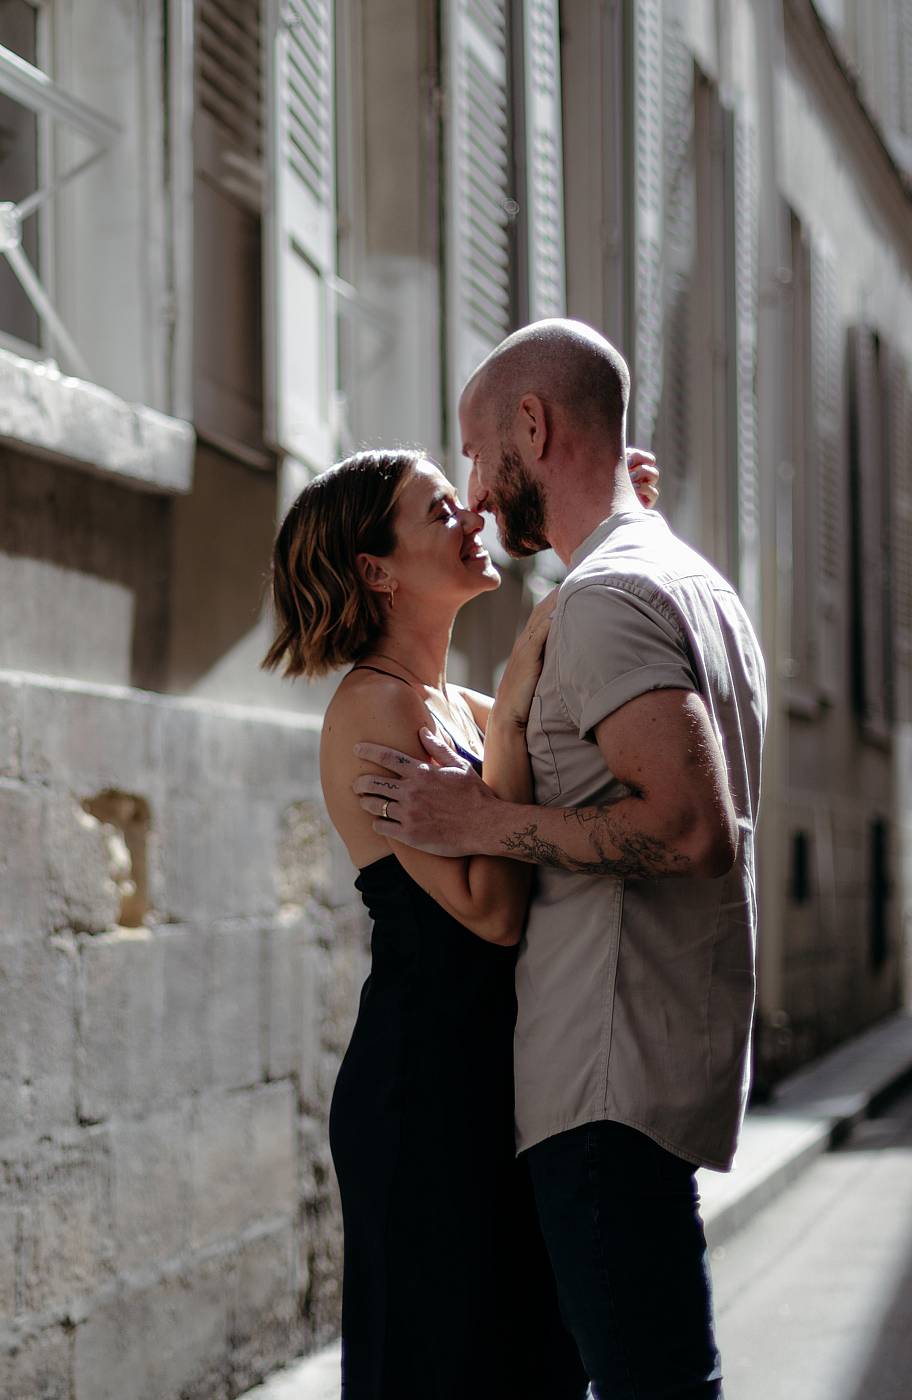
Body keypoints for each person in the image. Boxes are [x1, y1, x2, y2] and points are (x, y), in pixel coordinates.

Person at [353, 319, 768, 1400]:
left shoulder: (607, 600)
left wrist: (482, 824)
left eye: (478, 457)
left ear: (531, 427)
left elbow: (691, 829)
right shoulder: (692, 584)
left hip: (603, 1075)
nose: (477, 497)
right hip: (647, 1060)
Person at [261, 442, 659, 1398]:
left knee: (528, 1364)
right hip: (424, 1093)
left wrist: (608, 521)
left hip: (496, 1082)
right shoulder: (374, 709)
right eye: (440, 511)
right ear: (377, 571)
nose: (472, 518)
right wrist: (513, 700)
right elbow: (490, 910)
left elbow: (567, 703)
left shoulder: (460, 707)